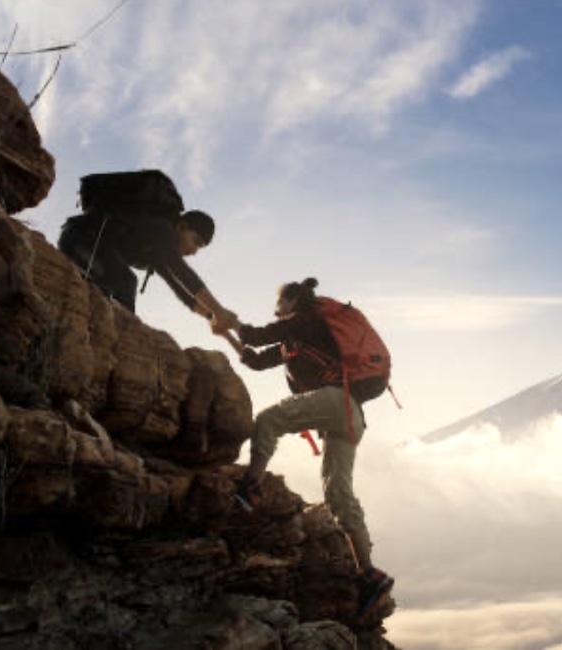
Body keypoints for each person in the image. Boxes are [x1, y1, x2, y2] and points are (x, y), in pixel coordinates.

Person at [232, 277, 394, 617]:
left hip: (336, 404)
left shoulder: (307, 320)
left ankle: (251, 486)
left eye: (280, 304)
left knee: (267, 420)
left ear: (293, 302)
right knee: (339, 496)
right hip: (351, 416)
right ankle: (370, 574)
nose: (276, 310)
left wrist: (231, 323)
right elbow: (263, 358)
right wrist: (246, 355)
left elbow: (261, 335)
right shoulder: (298, 336)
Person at [57, 208, 238, 331]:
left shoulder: (158, 252)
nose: (194, 251)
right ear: (181, 226)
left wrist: (210, 316)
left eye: (199, 248)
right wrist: (219, 311)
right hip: (78, 238)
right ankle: (123, 338)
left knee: (118, 285)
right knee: (126, 282)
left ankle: (109, 333)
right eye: (196, 241)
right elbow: (183, 274)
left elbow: (180, 291)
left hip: (92, 252)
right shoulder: (162, 229)